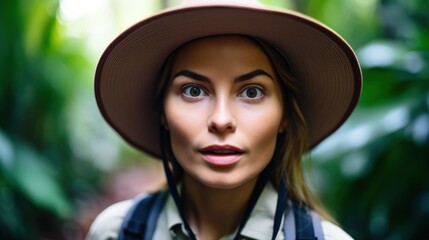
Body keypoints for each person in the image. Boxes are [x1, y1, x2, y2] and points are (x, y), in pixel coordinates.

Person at [88, 0, 362, 239]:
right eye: (193, 91)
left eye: (251, 92)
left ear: (284, 117)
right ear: (163, 114)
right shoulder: (115, 232)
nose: (221, 120)